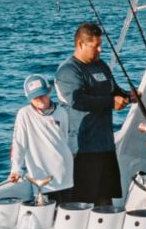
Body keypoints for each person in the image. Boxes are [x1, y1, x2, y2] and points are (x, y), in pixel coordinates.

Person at [55, 22, 138, 206]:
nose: (100, 50)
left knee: (105, 197)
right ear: (80, 44)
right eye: (95, 46)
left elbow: (113, 90)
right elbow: (78, 101)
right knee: (81, 201)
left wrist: (127, 96)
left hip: (105, 144)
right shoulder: (69, 71)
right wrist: (111, 102)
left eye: (101, 45)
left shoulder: (101, 66)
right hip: (83, 147)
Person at [9, 74, 74, 202]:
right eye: (35, 97)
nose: (40, 100)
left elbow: (65, 139)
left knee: (65, 212)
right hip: (41, 178)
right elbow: (18, 144)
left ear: (49, 92)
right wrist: (16, 169)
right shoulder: (24, 114)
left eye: (42, 95)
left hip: (65, 174)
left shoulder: (62, 112)